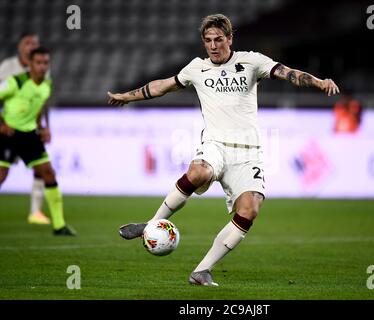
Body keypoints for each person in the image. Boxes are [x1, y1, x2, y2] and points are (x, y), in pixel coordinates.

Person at [107, 14, 339, 286]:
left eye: (219, 39)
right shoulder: (197, 68)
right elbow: (163, 86)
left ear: (230, 39)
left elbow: (288, 73)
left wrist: (318, 81)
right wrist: (127, 96)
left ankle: (202, 270)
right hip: (215, 145)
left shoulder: (251, 61)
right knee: (199, 171)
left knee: (250, 209)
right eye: (208, 41)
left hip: (248, 153)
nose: (213, 45)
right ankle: (150, 224)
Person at [0, 47, 76, 236]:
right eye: (38, 63)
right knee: (1, 176)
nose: (42, 67)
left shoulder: (46, 85)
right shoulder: (15, 82)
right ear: (30, 64)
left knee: (48, 173)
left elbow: (41, 106)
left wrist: (44, 127)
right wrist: (1, 124)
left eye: (45, 63)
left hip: (29, 135)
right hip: (8, 135)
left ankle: (59, 225)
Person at [0, 32, 51, 225]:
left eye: (34, 43)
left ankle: (35, 211)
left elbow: (43, 100)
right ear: (20, 46)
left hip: (30, 129)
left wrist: (45, 126)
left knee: (41, 169)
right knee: (2, 174)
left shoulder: (43, 67)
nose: (31, 45)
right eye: (27, 42)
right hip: (10, 129)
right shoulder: (8, 67)